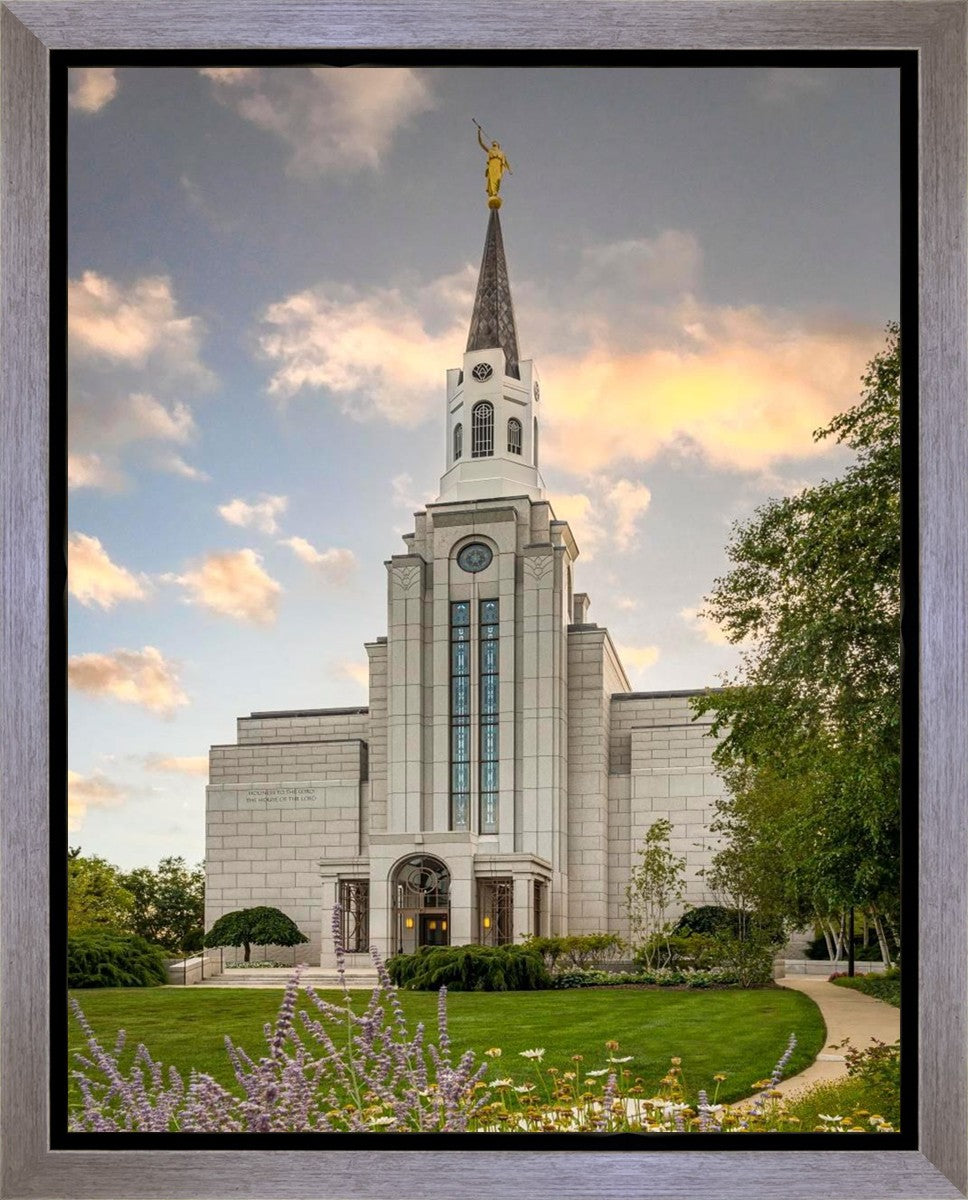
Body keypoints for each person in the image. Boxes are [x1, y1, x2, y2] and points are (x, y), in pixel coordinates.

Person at [476, 125, 512, 198]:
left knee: (498, 180)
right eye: (493, 143)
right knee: (492, 180)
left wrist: (509, 170)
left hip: (498, 167)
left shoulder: (501, 153)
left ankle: (495, 192)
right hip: (492, 166)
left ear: (498, 145)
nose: (494, 143)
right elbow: (481, 143)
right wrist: (479, 132)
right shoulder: (490, 151)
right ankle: (494, 193)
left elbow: (506, 162)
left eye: (495, 143)